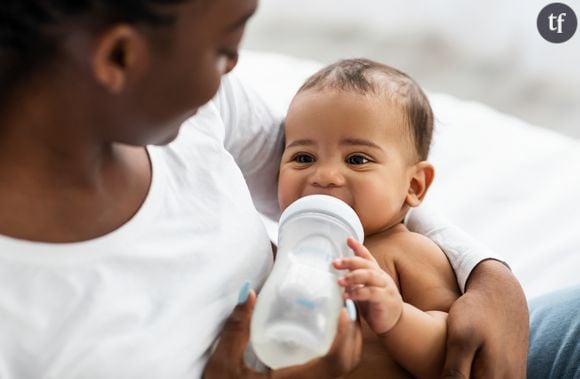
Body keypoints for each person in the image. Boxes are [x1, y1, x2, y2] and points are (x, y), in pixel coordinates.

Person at [0, 0, 536, 378]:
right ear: (120, 56)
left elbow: (350, 192)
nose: (234, 71)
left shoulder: (200, 113)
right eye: (222, 50)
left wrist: (489, 275)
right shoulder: (23, 314)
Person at [277, 58, 461, 377]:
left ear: (414, 185)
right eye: (303, 157)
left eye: (357, 159)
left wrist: (397, 317)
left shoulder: (409, 252)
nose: (326, 175)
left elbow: (453, 352)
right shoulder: (287, 255)